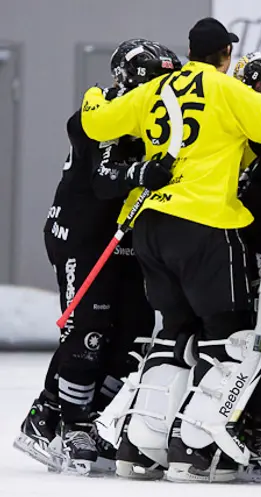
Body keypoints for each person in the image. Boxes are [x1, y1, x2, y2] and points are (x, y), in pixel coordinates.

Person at [79, 17, 261, 483]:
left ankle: (142, 446)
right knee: (230, 337)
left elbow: (96, 122)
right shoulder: (227, 89)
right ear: (225, 53)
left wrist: (99, 92)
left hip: (151, 224)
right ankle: (197, 449)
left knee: (173, 333)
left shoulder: (156, 87)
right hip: (205, 225)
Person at [13, 39, 178, 475]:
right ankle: (75, 425)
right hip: (82, 235)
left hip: (124, 235)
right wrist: (142, 171)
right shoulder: (103, 109)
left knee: (135, 334)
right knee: (89, 327)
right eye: (153, 82)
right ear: (128, 80)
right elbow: (106, 180)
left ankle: (50, 414)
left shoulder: (154, 117)